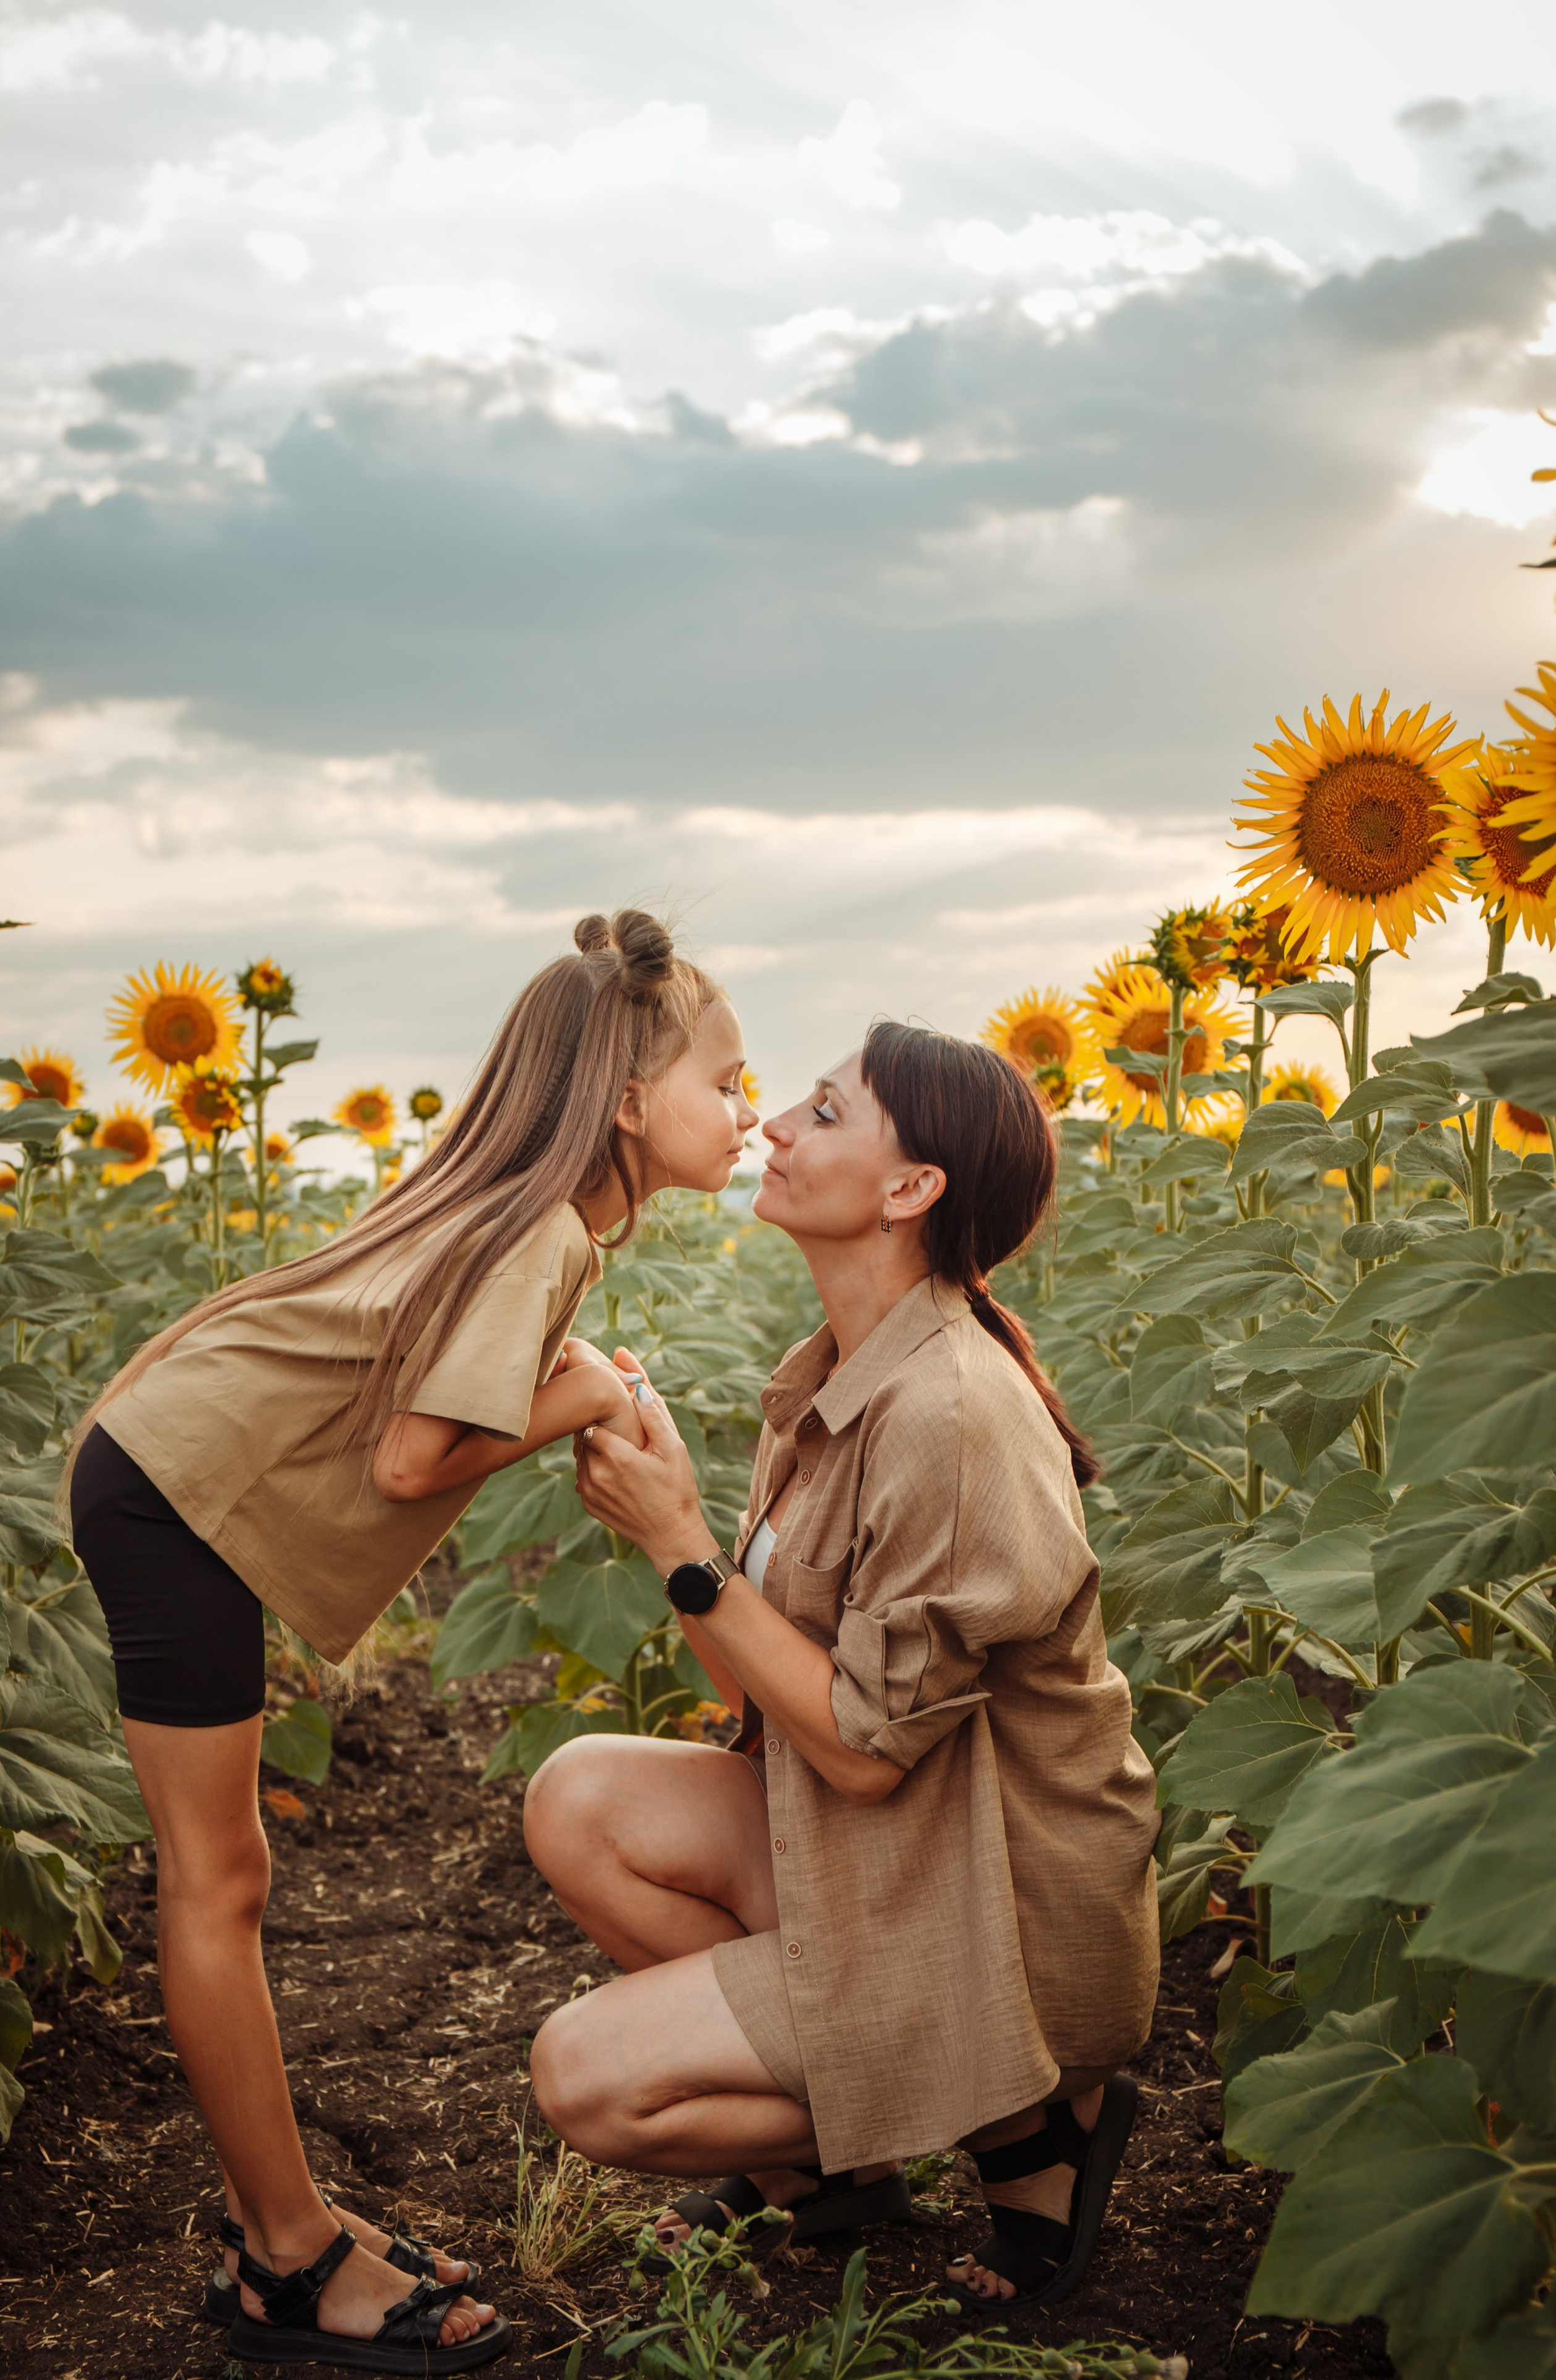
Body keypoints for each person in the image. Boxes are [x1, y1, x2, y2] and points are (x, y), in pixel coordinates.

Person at [67, 912, 758, 2375]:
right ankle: (286, 2260)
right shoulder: (545, 1231)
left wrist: (570, 1382)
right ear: (633, 1104)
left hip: (169, 1474)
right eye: (729, 1080)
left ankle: (287, 2230)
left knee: (226, 1876)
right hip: (174, 1496)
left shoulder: (524, 1211)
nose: (746, 1110)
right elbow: (408, 1462)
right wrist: (583, 1398)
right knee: (214, 1882)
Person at [523, 1021, 1160, 2312]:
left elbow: (864, 1757)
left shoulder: (949, 1411)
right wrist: (671, 1526)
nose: (772, 1125)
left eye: (821, 1112)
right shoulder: (835, 1376)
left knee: (583, 2081)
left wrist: (683, 1543)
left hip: (997, 1912)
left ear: (909, 1187)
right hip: (891, 1849)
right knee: (578, 1797)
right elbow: (761, 1701)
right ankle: (834, 2171)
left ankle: (1032, 2123)